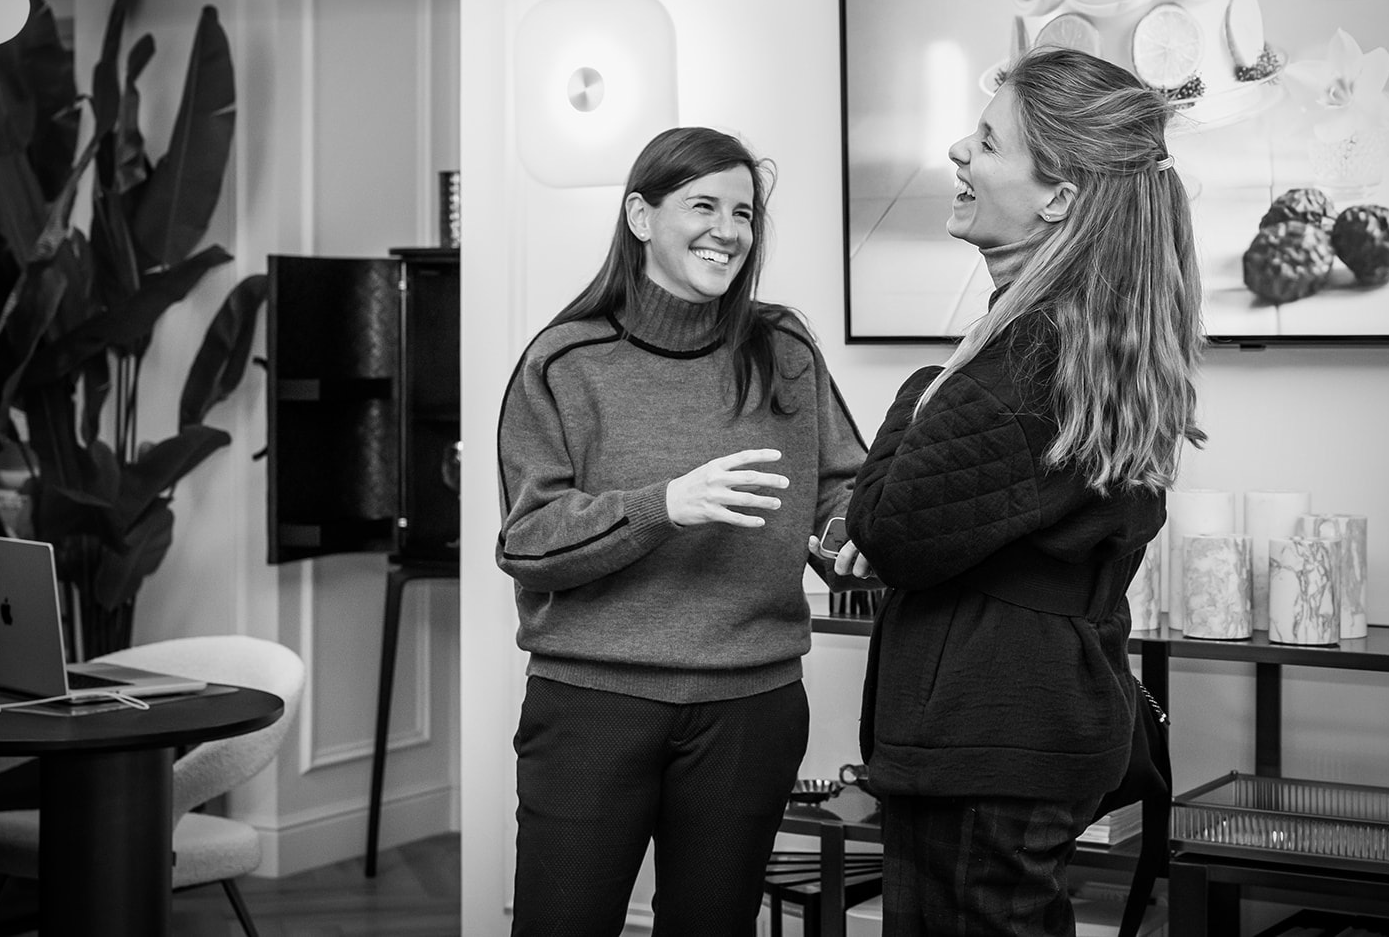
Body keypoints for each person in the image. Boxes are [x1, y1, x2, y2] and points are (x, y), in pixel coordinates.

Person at [829, 46, 1206, 936]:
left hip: (987, 737)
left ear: (1059, 199)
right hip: (1033, 727)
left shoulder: (1025, 358)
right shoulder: (1085, 340)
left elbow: (889, 531)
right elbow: (966, 520)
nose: (959, 150)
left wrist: (925, 390)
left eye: (990, 142)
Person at [496, 126, 867, 937]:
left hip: (752, 706)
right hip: (593, 706)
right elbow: (527, 540)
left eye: (744, 213)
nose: (728, 231)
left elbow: (841, 486)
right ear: (641, 216)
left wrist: (849, 536)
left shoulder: (784, 348)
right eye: (704, 206)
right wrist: (664, 505)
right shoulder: (566, 360)